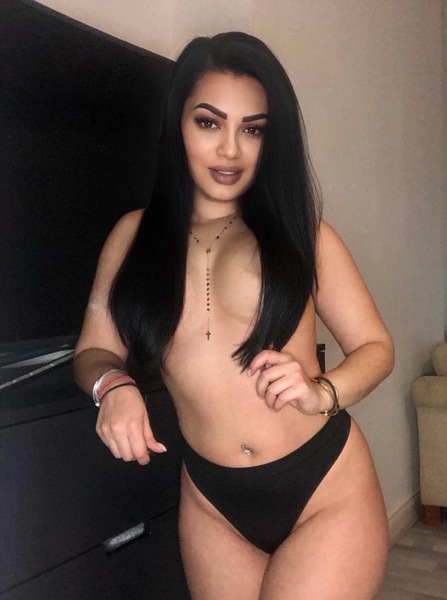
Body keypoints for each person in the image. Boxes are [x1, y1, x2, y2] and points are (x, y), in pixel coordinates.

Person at [74, 32, 394, 600]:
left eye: (253, 129)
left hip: (324, 487)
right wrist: (112, 385)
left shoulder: (301, 231)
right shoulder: (131, 237)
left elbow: (376, 346)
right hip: (213, 503)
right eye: (209, 123)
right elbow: (94, 349)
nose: (230, 150)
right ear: (177, 123)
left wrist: (323, 391)